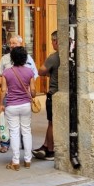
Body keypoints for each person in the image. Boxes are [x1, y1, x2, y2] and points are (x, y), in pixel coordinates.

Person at [0, 33, 37, 152]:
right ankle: (5, 144)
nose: (12, 45)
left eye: (15, 43)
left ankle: (21, 150)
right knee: (8, 122)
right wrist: (5, 85)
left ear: (20, 44)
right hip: (9, 95)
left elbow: (34, 75)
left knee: (23, 126)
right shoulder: (4, 59)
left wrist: (29, 88)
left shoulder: (28, 59)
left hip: (24, 95)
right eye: (11, 43)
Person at [0, 45, 35, 170]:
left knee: (14, 132)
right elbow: (33, 91)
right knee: (26, 131)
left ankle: (15, 161)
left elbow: (3, 90)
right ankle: (27, 160)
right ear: (25, 58)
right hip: (25, 105)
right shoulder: (29, 72)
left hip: (11, 105)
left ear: (12, 58)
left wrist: (1, 104)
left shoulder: (7, 72)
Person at [32, 31, 59, 160]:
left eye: (52, 41)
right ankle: (46, 145)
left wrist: (49, 72)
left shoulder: (53, 57)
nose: (52, 43)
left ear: (56, 41)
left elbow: (41, 71)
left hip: (54, 93)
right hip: (64, 92)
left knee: (51, 122)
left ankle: (50, 150)